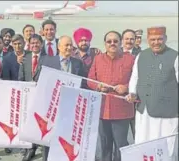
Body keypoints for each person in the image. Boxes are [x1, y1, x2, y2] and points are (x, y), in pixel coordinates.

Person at [126, 26, 178, 161]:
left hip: (168, 114)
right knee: (143, 144)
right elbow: (135, 77)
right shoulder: (141, 55)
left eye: (159, 39)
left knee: (167, 148)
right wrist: (132, 93)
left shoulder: (175, 56)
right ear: (147, 40)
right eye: (152, 39)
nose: (156, 42)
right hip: (144, 111)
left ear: (165, 39)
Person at [34, 36, 85, 161]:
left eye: (70, 45)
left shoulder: (77, 63)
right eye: (66, 45)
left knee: (66, 139)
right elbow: (39, 81)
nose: (69, 48)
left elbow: (83, 84)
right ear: (59, 46)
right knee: (48, 137)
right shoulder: (47, 61)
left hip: (70, 108)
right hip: (51, 106)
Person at [88, 31, 135, 161]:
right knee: (104, 145)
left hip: (122, 110)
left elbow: (138, 80)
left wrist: (126, 87)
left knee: (121, 145)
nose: (112, 44)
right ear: (105, 44)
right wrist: (98, 86)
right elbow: (90, 80)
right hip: (102, 110)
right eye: (109, 41)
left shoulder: (130, 59)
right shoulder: (98, 59)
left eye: (115, 41)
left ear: (120, 42)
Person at [18, 34, 46, 161]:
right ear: (29, 45)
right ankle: (31, 149)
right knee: (29, 124)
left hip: (43, 97)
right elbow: (21, 77)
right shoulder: (25, 58)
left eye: (37, 43)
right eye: (32, 43)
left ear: (41, 44)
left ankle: (45, 150)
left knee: (42, 124)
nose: (35, 45)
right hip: (28, 97)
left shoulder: (48, 58)